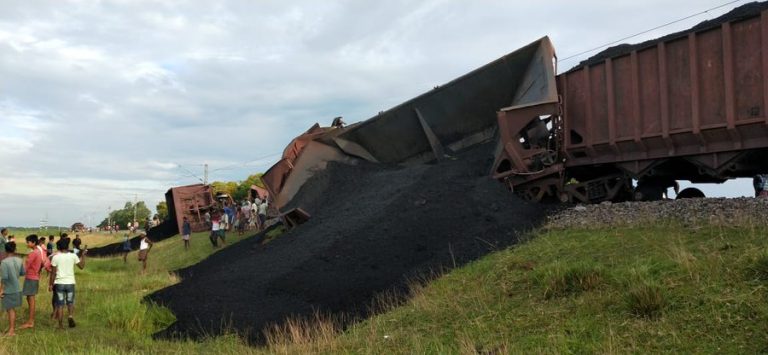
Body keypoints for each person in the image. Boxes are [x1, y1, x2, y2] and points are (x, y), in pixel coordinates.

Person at [49, 239, 86, 329]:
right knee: (70, 302)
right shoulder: (73, 256)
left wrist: (50, 284)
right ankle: (70, 316)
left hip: (59, 283)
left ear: (58, 247)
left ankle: (60, 325)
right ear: (68, 246)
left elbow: (53, 273)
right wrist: (83, 256)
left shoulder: (56, 257)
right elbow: (81, 266)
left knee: (60, 304)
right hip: (70, 283)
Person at [20, 235, 49, 329]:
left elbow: (25, 267)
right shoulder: (39, 251)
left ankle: (31, 321)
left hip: (31, 277)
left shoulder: (33, 253)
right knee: (29, 298)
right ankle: (30, 319)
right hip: (34, 276)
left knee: (31, 298)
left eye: (28, 242)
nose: (27, 244)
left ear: (33, 242)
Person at [0, 242, 25, 336]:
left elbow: (4, 278)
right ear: (15, 249)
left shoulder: (4, 262)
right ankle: (11, 329)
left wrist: (1, 290)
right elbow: (23, 273)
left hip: (9, 289)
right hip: (17, 288)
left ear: (5, 250)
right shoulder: (20, 260)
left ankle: (11, 331)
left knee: (10, 310)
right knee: (11, 309)